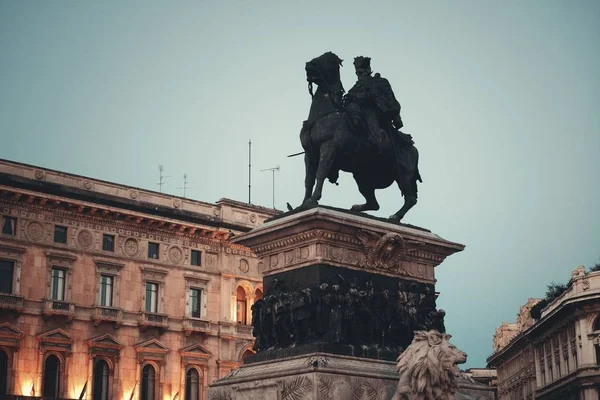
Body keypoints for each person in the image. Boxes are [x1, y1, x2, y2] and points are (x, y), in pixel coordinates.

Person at [344, 56, 405, 148]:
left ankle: (377, 141)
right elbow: (351, 97)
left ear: (368, 70)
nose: (361, 73)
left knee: (369, 114)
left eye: (363, 70)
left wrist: (397, 118)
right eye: (359, 71)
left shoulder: (380, 82)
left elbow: (390, 97)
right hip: (358, 111)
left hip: (378, 111)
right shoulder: (356, 87)